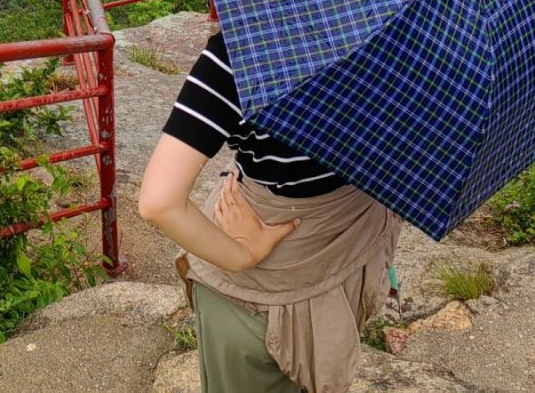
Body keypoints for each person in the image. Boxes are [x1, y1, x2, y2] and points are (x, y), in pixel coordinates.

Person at [138, 29, 400, 393]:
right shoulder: (399, 41)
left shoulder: (244, 48)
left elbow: (159, 202)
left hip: (247, 302)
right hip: (346, 266)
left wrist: (241, 255)